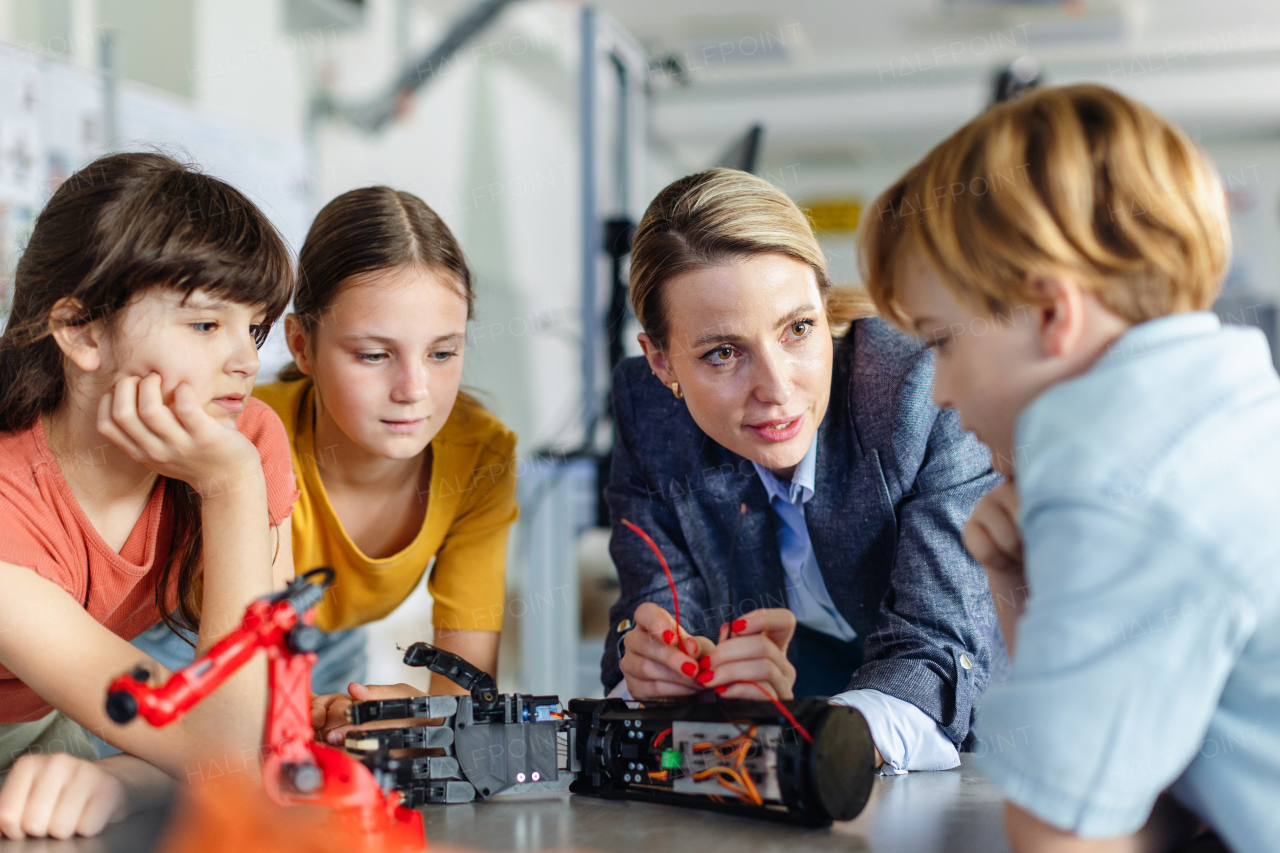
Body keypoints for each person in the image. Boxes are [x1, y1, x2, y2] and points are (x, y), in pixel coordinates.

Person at [861, 83, 1278, 852]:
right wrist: (1014, 582)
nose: (942, 393)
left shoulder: (1117, 482)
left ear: (1052, 313)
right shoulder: (1229, 416)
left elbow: (1065, 837)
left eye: (941, 344)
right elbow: (1124, 787)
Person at [603, 167, 1005, 774]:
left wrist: (798, 745)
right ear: (662, 364)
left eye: (797, 329)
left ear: (824, 303)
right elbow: (656, 612)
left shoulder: (918, 384)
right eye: (722, 353)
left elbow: (938, 645)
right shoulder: (649, 410)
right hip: (809, 714)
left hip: (992, 727)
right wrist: (664, 678)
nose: (776, 389)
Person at [129, 187, 519, 746]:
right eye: (374, 355)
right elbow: (251, 666)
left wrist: (424, 712)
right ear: (302, 346)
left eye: (441, 353)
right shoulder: (245, 430)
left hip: (328, 650)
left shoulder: (482, 453)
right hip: (184, 647)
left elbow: (468, 696)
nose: (414, 390)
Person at [0, 152, 297, 838]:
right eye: (204, 325)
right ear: (81, 330)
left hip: (44, 725)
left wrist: (116, 778)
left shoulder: (238, 436)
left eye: (253, 327)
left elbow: (265, 732)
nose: (247, 360)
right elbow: (225, 750)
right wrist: (228, 488)